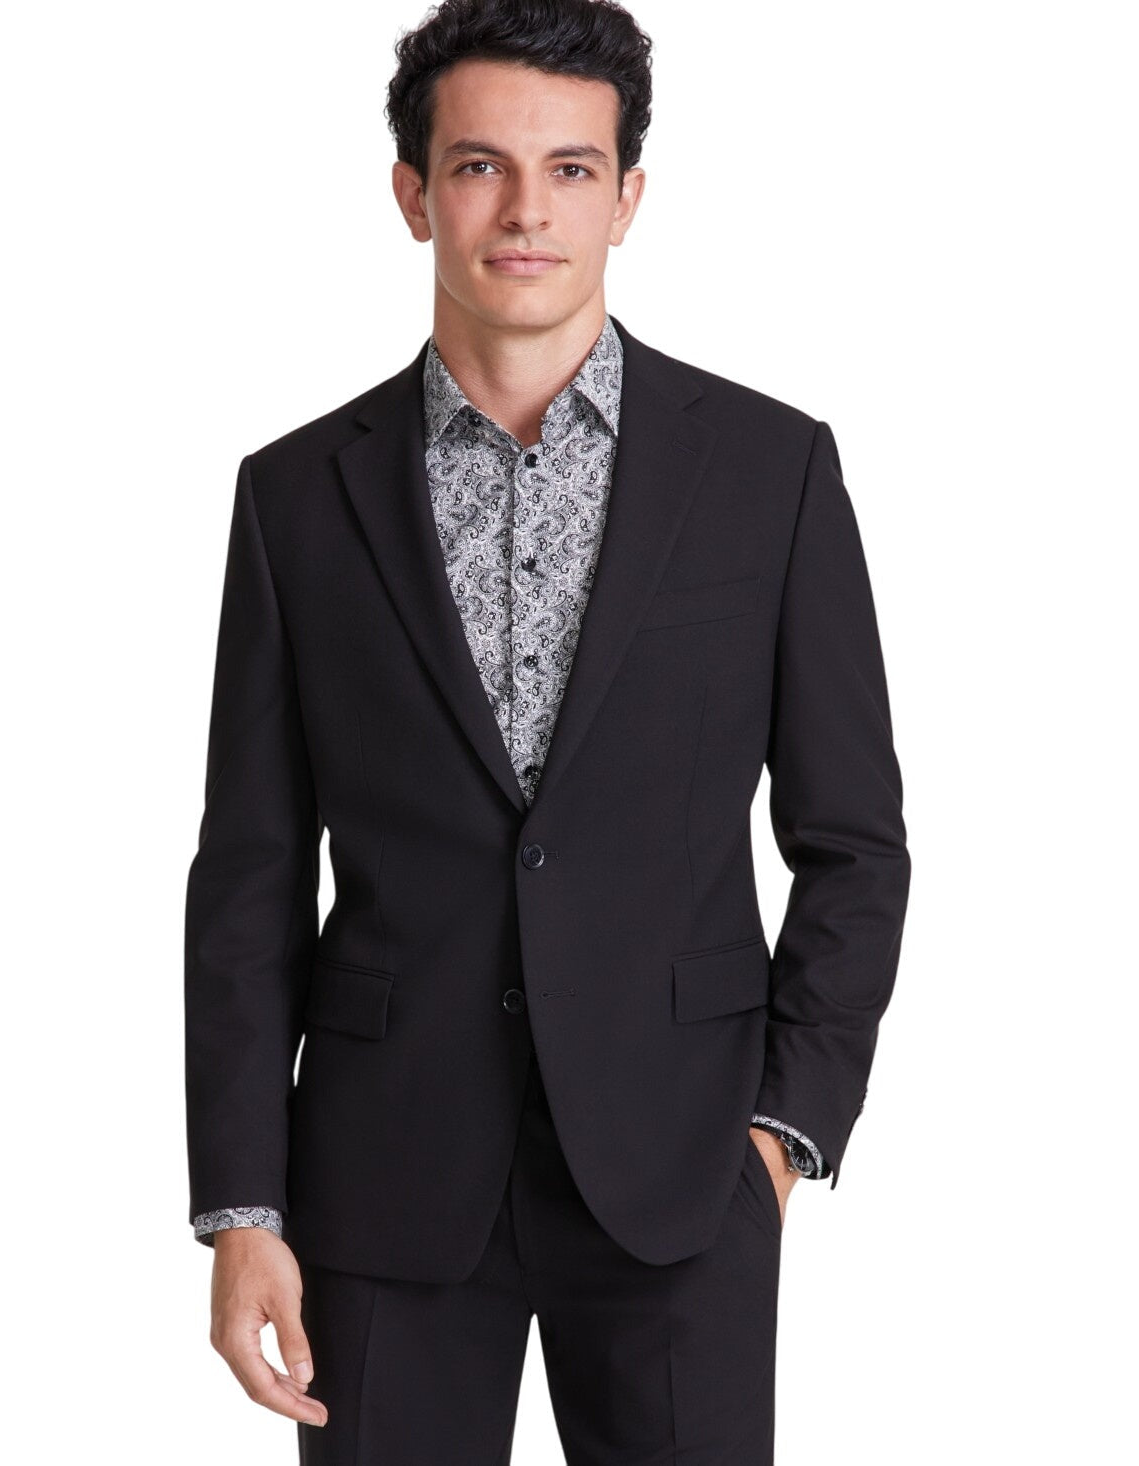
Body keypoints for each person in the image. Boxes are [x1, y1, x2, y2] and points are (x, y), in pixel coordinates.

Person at [184, 1, 911, 1460]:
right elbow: (251, 872)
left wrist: (782, 1135)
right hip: (380, 1181)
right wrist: (243, 1205)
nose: (527, 210)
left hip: (683, 1174)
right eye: (480, 167)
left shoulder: (769, 471)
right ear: (413, 194)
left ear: (628, 197)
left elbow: (854, 844)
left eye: (571, 169)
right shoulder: (295, 497)